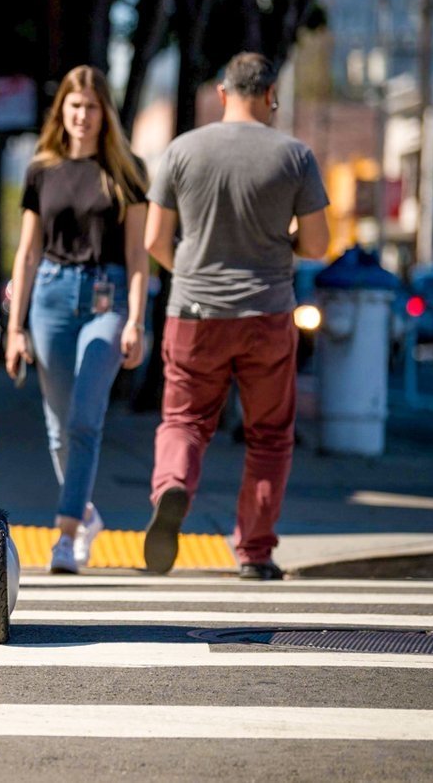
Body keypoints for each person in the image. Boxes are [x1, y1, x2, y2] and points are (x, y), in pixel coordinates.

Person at [142, 51, 330, 581]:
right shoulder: (295, 156)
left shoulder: (182, 151)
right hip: (267, 314)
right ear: (271, 95)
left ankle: (174, 484)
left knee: (184, 420)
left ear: (223, 94)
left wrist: (194, 270)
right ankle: (253, 551)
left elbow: (155, 240)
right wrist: (278, 239)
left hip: (194, 313)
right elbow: (317, 243)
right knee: (269, 435)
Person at [4, 65, 149, 574]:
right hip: (48, 296)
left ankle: (64, 535)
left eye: (91, 106)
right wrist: (14, 328)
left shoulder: (128, 172)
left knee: (86, 419)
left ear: (104, 112)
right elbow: (26, 253)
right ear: (61, 111)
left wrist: (135, 321)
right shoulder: (41, 169)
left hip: (107, 301)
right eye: (74, 105)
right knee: (59, 430)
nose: (83, 115)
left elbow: (137, 256)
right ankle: (86, 512)